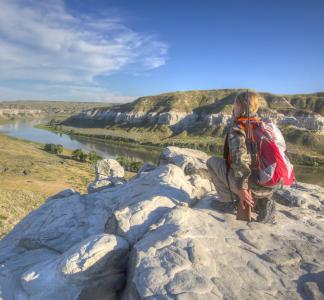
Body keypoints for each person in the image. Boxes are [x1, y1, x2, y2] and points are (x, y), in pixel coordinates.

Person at [207, 91, 276, 223]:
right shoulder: (263, 125)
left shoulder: (239, 128)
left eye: (235, 105)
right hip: (267, 184)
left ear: (240, 106)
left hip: (250, 186)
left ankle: (227, 202)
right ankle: (263, 203)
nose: (233, 108)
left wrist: (243, 189)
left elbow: (239, 161)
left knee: (212, 162)